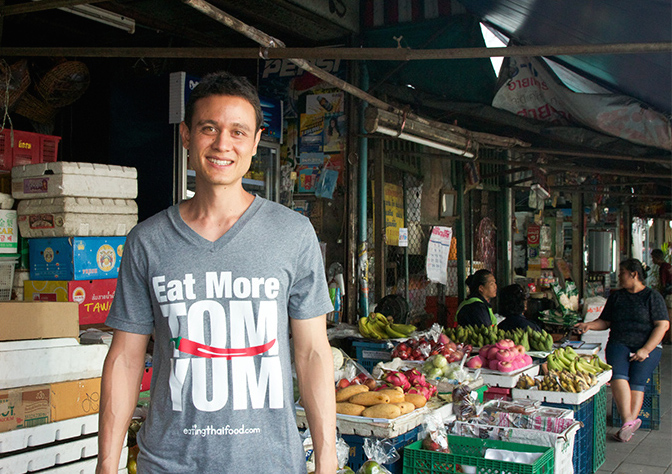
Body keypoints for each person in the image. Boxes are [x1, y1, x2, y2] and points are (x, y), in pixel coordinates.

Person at [96, 71, 337, 473]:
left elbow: (312, 352)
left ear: (256, 142)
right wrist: (107, 464)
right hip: (169, 464)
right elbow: (125, 357)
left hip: (269, 464)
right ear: (186, 136)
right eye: (209, 128)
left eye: (238, 132)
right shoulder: (147, 241)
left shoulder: (293, 234)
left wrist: (327, 461)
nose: (223, 144)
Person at [575, 259, 669, 442]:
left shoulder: (652, 297)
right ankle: (628, 422)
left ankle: (627, 426)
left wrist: (645, 349)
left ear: (634, 274)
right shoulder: (617, 297)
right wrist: (588, 326)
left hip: (648, 344)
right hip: (619, 343)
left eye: (622, 273)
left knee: (637, 381)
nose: (619, 277)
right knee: (618, 375)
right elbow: (605, 322)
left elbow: (663, 325)